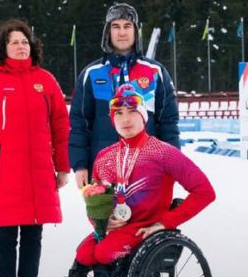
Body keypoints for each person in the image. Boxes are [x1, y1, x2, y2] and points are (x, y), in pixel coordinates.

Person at [0, 19, 70, 277]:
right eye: (14, 42)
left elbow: (60, 127)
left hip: (39, 171)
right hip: (4, 173)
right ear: (3, 47)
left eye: (24, 42)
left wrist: (62, 167)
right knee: (6, 237)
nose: (21, 47)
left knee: (33, 236)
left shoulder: (46, 81)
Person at [74, 84, 214, 267]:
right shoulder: (104, 157)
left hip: (146, 228)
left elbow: (205, 192)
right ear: (112, 120)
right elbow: (95, 200)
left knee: (103, 252)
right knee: (84, 254)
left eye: (132, 111)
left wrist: (166, 223)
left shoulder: (163, 152)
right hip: (117, 229)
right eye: (118, 113)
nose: (125, 119)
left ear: (143, 116)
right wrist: (100, 221)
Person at [69, 3, 180, 191]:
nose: (122, 32)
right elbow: (80, 125)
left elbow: (168, 122)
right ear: (108, 32)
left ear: (135, 31)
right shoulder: (91, 73)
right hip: (103, 170)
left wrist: (173, 163)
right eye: (116, 26)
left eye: (127, 26)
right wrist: (80, 165)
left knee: (147, 221)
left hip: (148, 169)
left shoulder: (155, 72)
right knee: (109, 221)